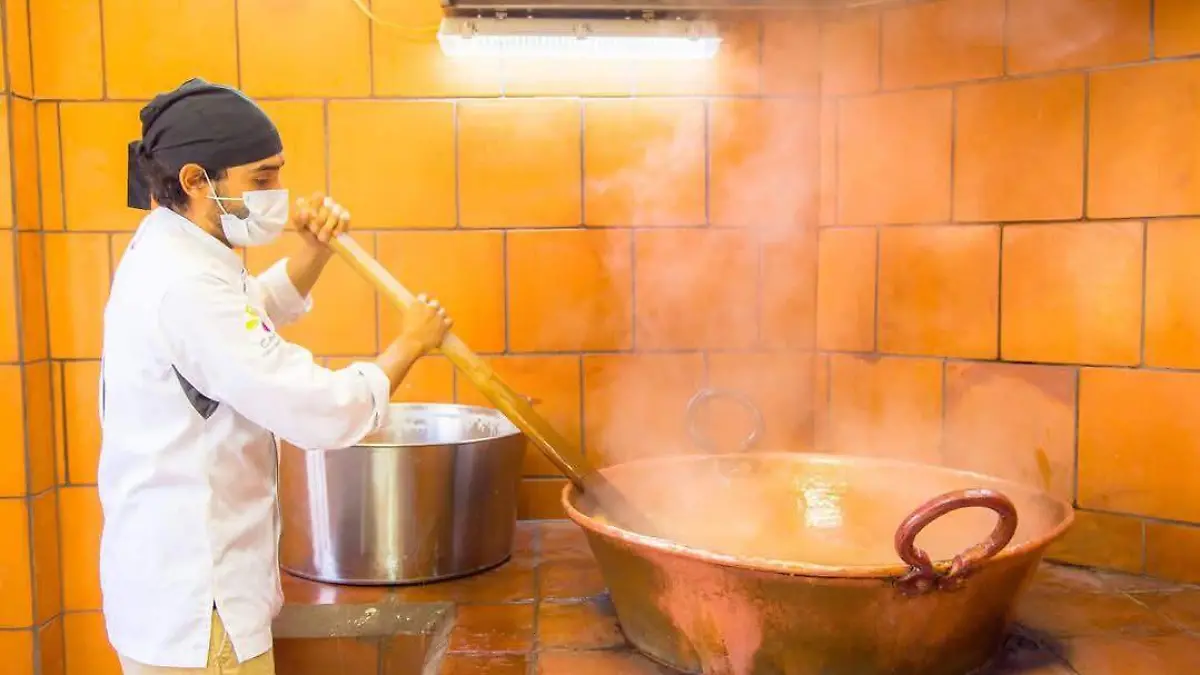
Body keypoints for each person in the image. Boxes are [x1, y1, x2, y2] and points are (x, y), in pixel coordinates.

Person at [99, 78, 451, 674]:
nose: (277, 197)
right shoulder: (184, 283)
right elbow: (315, 407)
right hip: (199, 609)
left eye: (278, 175)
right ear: (196, 180)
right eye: (261, 180)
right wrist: (410, 345)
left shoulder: (175, 250)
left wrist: (314, 254)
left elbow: (244, 323)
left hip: (179, 594)